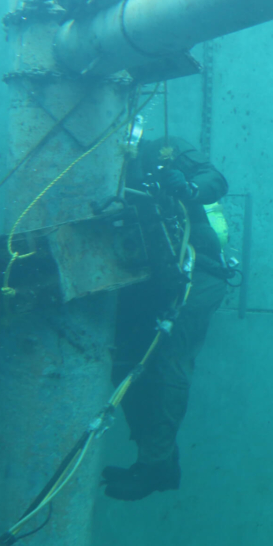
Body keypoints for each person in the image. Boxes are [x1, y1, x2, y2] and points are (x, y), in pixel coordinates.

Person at [101, 135, 230, 501]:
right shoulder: (94, 164)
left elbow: (214, 178)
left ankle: (155, 463)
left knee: (169, 360)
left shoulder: (161, 149)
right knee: (125, 363)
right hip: (145, 279)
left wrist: (188, 187)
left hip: (196, 270)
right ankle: (157, 460)